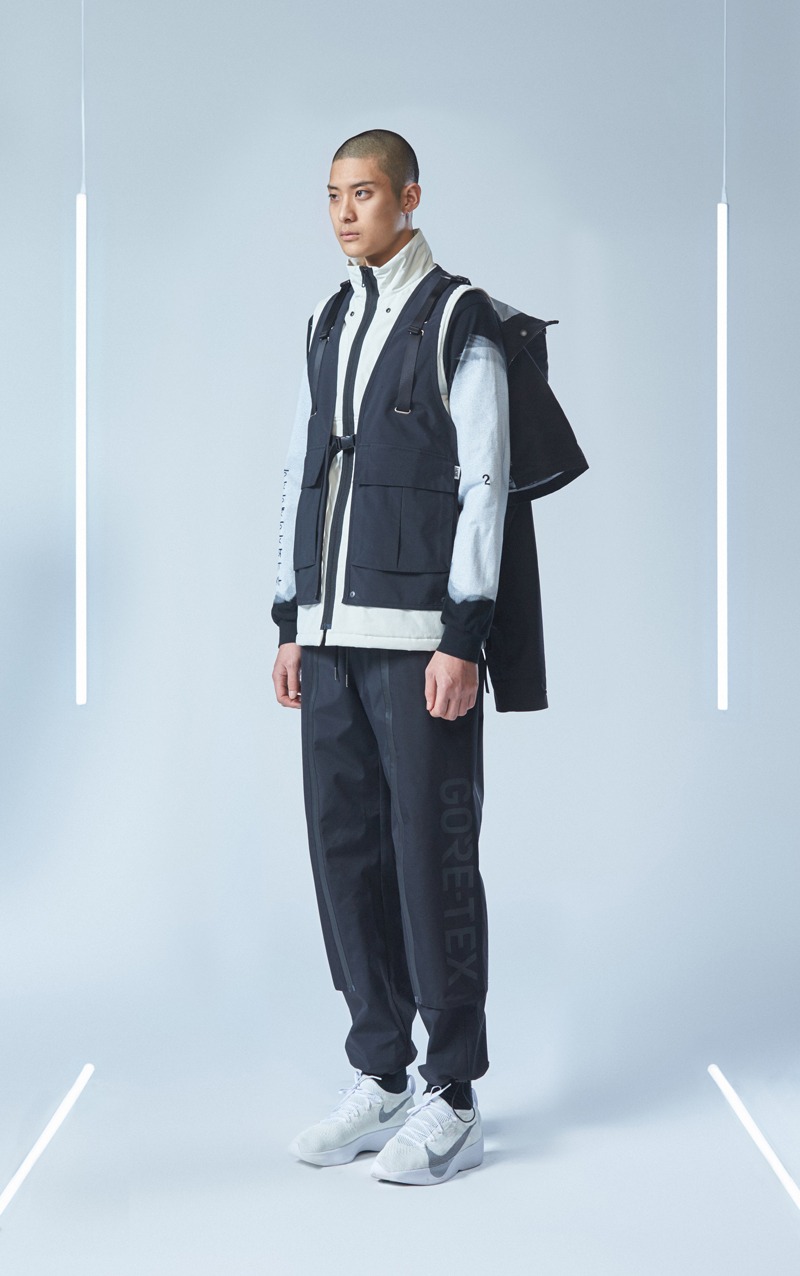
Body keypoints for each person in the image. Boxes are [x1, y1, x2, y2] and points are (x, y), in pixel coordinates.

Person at [271, 128, 510, 1186]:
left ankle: (451, 1091)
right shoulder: (327, 320)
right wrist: (290, 619)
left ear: (409, 198)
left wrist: (464, 634)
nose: (343, 212)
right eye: (332, 195)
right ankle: (379, 1071)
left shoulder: (458, 318)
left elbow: (484, 484)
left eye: (362, 193)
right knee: (345, 858)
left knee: (431, 858)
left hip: (419, 645)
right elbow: (299, 472)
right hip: (329, 639)